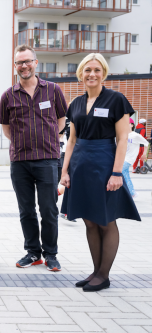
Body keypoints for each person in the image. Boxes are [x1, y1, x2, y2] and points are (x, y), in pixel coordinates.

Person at [61, 53, 140, 292]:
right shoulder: (75, 103)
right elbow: (72, 140)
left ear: (103, 73)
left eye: (96, 70)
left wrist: (117, 173)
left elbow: (123, 139)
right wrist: (64, 173)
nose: (92, 74)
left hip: (105, 165)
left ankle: (104, 275)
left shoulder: (116, 100)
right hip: (80, 166)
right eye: (87, 70)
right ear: (81, 74)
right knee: (89, 220)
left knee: (105, 220)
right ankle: (95, 272)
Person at [0, 44, 67, 271]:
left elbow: (61, 121)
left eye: (28, 61)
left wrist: (48, 140)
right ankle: (33, 252)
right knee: (26, 210)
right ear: (15, 66)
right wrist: (21, 142)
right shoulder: (8, 95)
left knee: (48, 209)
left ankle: (51, 254)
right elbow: (6, 128)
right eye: (19, 62)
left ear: (36, 63)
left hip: (47, 159)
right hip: (19, 161)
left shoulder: (53, 90)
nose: (24, 66)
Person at [123, 118, 149, 198]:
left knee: (122, 171)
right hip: (122, 158)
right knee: (125, 173)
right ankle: (131, 192)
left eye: (127, 123)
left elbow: (146, 143)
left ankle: (131, 192)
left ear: (132, 125)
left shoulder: (135, 135)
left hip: (129, 158)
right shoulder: (122, 134)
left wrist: (144, 154)